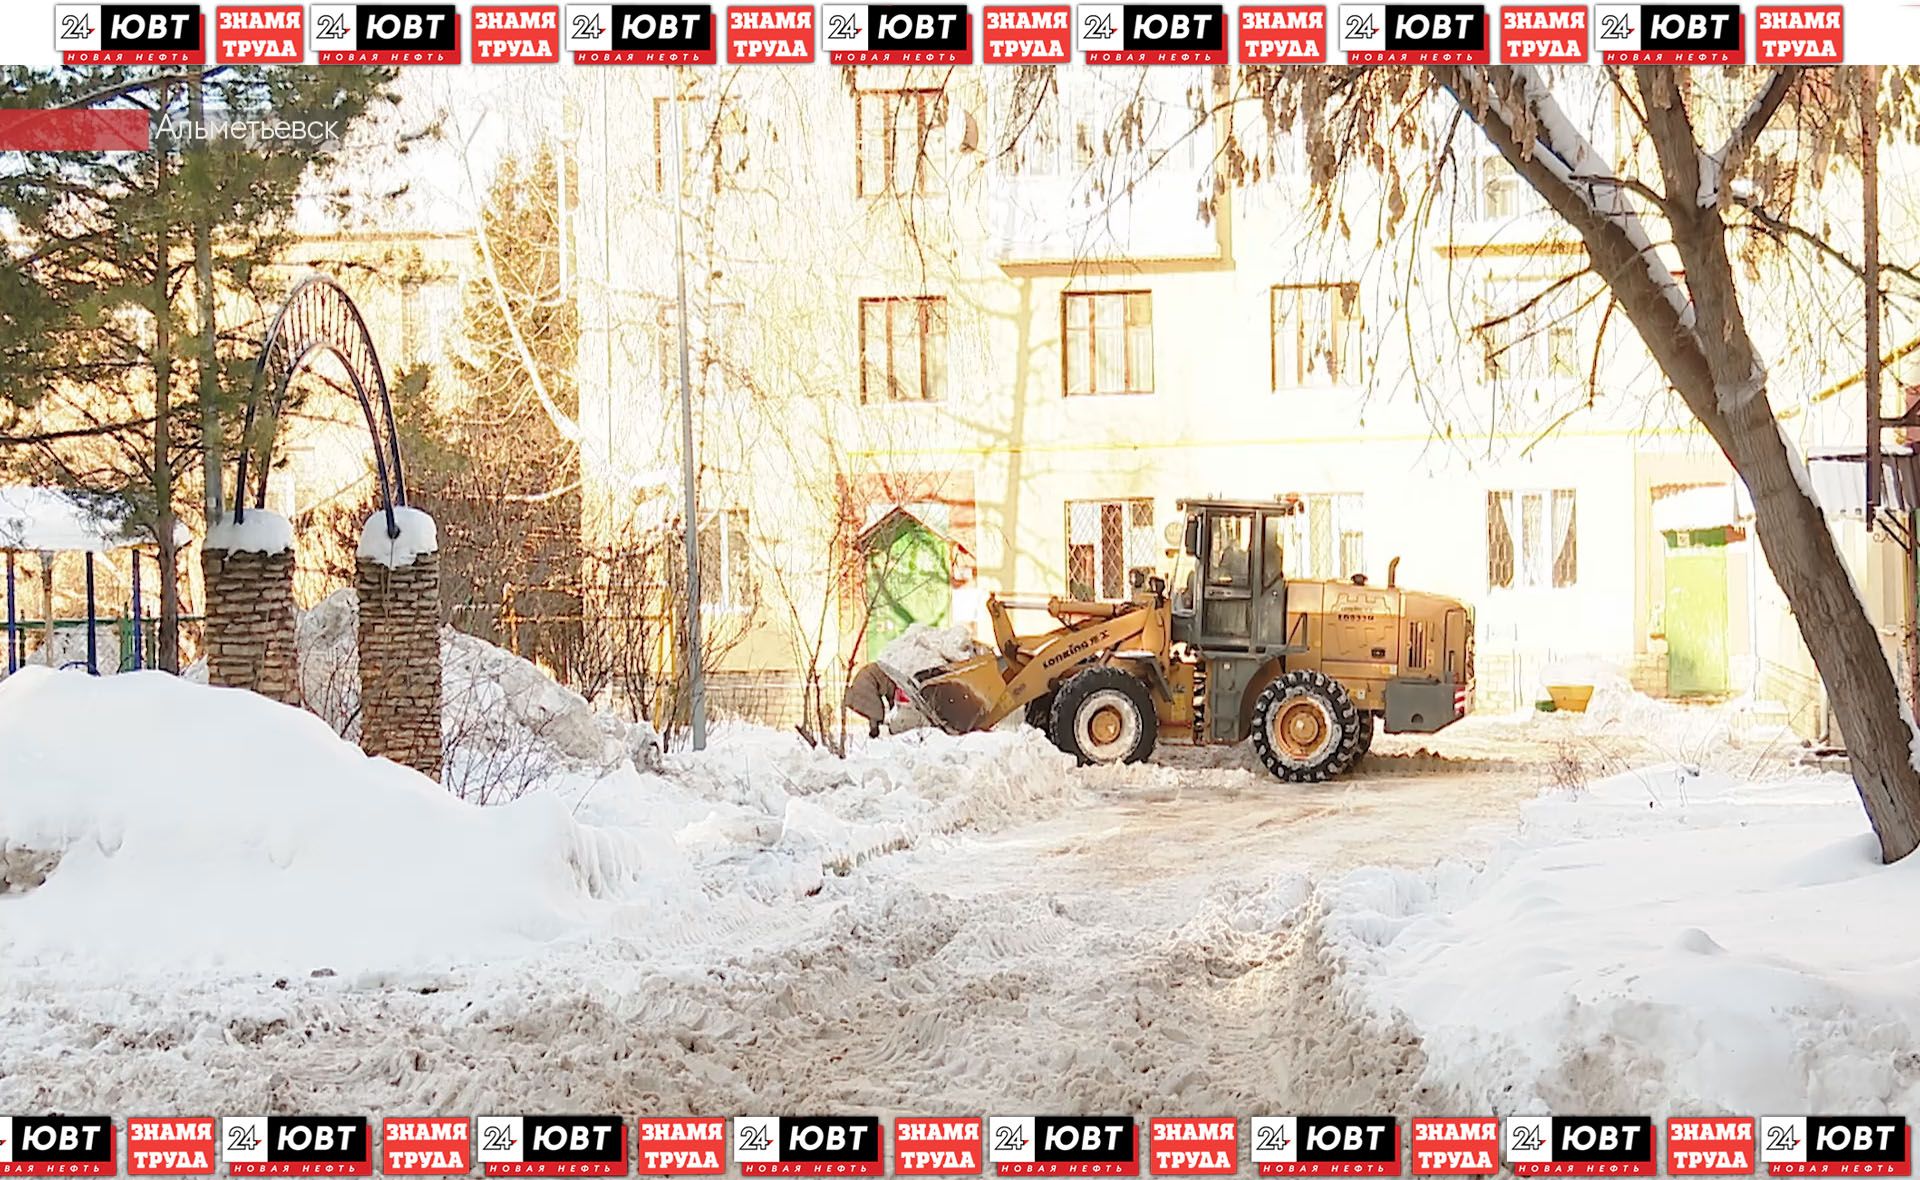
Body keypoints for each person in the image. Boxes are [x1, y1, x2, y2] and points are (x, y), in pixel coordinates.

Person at [845, 662, 898, 739]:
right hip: (867, 683)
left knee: (873, 708)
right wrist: (891, 704)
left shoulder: (884, 669)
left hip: (864, 681)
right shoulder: (891, 676)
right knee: (874, 708)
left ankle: (874, 729)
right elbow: (890, 691)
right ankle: (874, 731)